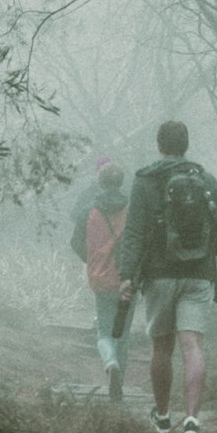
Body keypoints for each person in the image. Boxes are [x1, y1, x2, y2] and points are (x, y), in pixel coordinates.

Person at [118, 120, 217, 433]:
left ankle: (164, 414)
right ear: (185, 144)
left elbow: (135, 233)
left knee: (162, 347)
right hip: (198, 276)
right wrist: (205, 255)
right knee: (192, 345)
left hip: (159, 276)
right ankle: (193, 419)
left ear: (159, 145)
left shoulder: (145, 181)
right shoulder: (205, 179)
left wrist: (127, 275)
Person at [70, 158, 134, 400]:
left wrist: (93, 261)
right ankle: (119, 386)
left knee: (104, 332)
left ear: (100, 181)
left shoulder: (89, 212)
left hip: (100, 279)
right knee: (124, 334)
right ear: (120, 182)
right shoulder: (131, 210)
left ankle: (110, 364)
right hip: (127, 279)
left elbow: (76, 242)